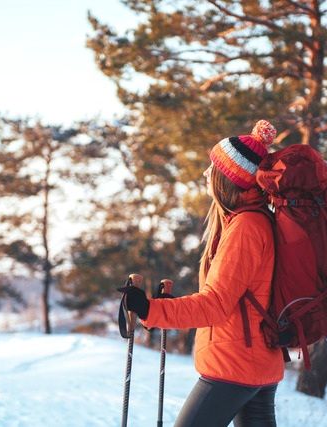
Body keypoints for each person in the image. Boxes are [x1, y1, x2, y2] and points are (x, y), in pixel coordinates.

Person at [119, 120, 284, 427]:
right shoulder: (255, 221)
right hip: (257, 360)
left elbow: (215, 304)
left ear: (228, 179)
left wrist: (151, 309)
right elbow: (236, 297)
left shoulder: (246, 228)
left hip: (234, 365)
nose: (207, 175)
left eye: (212, 169)